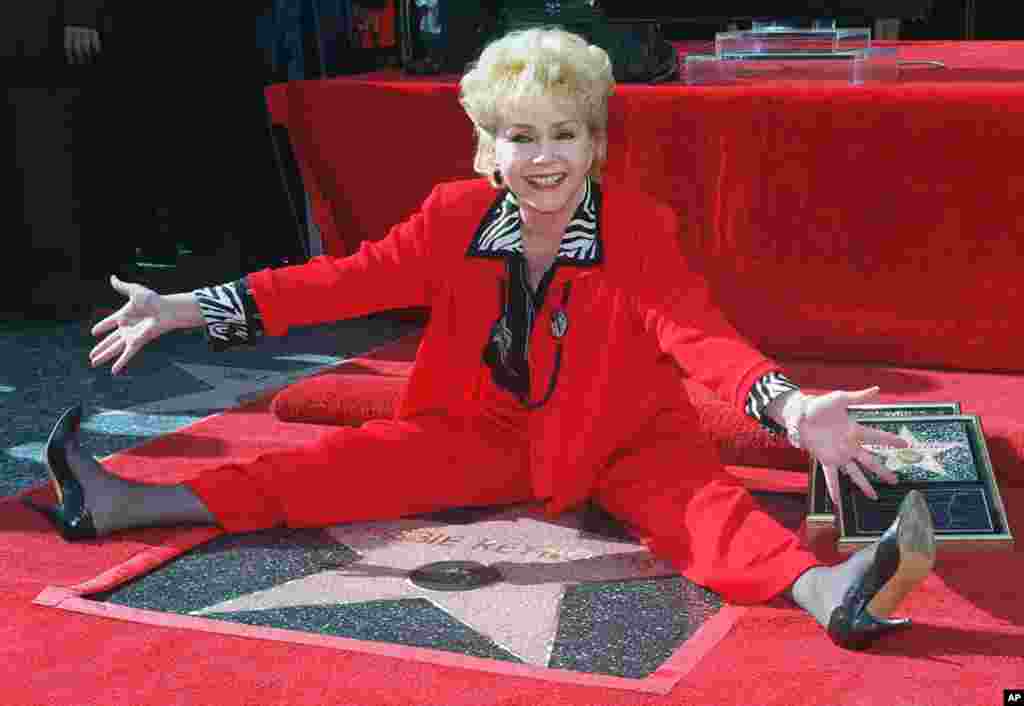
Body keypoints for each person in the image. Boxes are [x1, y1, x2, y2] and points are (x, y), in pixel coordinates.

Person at [34, 27, 936, 651]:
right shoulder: (450, 217)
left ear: (595, 143)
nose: (545, 159)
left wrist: (789, 407)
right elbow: (338, 282)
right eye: (521, 136)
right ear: (486, 146)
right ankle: (127, 505)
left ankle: (827, 593)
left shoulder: (639, 226)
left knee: (701, 509)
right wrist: (188, 307)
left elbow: (698, 335)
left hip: (620, 432)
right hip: (478, 433)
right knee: (329, 470)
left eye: (565, 136)